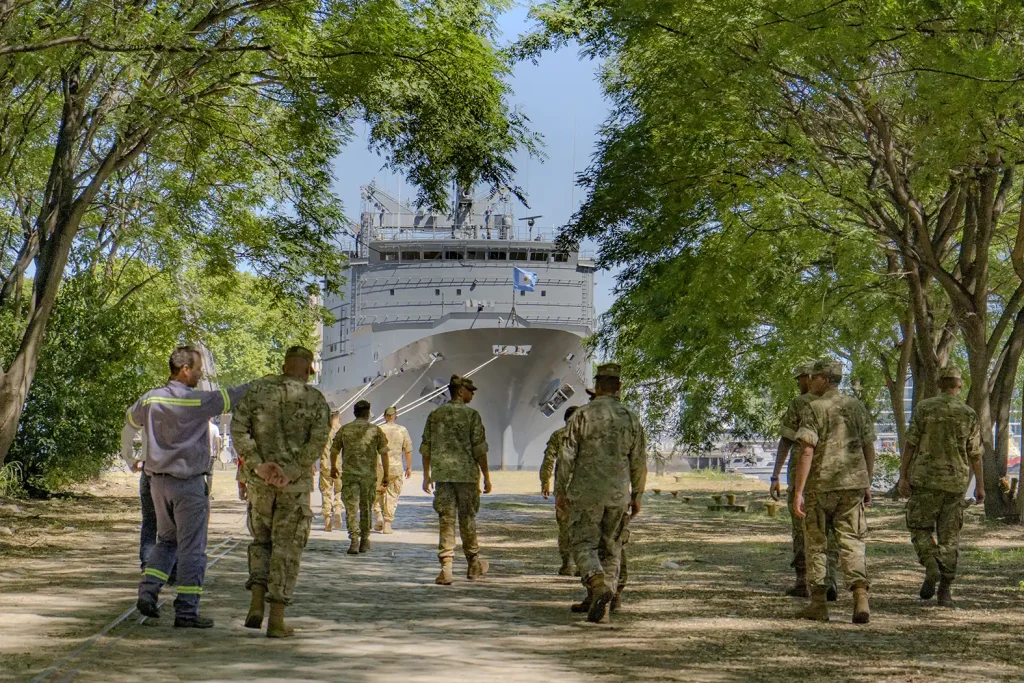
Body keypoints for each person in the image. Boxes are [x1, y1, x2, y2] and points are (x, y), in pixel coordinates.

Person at [129, 346, 248, 628]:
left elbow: (131, 420)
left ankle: (148, 592)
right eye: (198, 369)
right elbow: (232, 396)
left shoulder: (150, 399)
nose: (200, 373)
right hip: (189, 485)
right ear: (185, 369)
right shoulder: (199, 402)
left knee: (166, 542)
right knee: (192, 549)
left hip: (157, 483)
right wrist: (263, 383)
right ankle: (186, 612)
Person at [231, 346, 330, 638]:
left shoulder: (258, 390)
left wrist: (259, 466)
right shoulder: (315, 400)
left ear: (284, 365)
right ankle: (276, 619)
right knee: (287, 549)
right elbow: (318, 442)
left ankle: (256, 602)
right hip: (293, 487)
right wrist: (293, 471)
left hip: (260, 483)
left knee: (261, 541)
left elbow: (239, 429)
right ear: (309, 370)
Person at [558, 363, 647, 624]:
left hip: (585, 493)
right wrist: (637, 494)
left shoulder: (581, 416)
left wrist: (560, 490)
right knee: (612, 549)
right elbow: (639, 460)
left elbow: (566, 456)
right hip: (618, 494)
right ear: (619, 386)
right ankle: (603, 610)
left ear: (597, 386)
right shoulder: (631, 418)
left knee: (583, 544)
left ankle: (597, 586)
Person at [792, 358, 876, 624]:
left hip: (821, 486)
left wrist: (798, 490)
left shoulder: (814, 408)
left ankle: (818, 604)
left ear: (825, 379)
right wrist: (866, 482)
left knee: (817, 543)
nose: (810, 380)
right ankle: (860, 597)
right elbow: (869, 447)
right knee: (852, 541)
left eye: (814, 376)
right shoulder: (857, 407)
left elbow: (807, 449)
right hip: (852, 486)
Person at [897, 366, 984, 607]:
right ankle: (945, 591)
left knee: (919, 527)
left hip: (925, 481)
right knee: (950, 537)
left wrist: (903, 476)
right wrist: (979, 486)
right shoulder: (968, 414)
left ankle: (931, 565)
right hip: (955, 483)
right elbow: (975, 454)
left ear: (939, 384)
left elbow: (911, 445)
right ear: (959, 385)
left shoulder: (924, 408)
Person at [770, 362, 840, 599]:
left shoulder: (800, 404)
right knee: (831, 529)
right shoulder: (843, 404)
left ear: (811, 378)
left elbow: (786, 441)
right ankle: (828, 579)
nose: (799, 382)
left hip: (803, 474)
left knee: (802, 528)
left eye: (800, 378)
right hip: (836, 476)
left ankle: (804, 580)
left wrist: (776, 475)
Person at [421, 375, 492, 585]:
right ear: (460, 391)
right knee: (467, 519)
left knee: (446, 520)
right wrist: (487, 476)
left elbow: (426, 448)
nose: (472, 394)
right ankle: (473, 563)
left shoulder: (435, 415)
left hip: (443, 477)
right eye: (470, 390)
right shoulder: (472, 416)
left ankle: (446, 568)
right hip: (467, 477)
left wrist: (426, 476)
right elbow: (479, 449)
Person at [330, 400, 389, 555]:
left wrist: (334, 467)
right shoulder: (376, 430)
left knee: (351, 508)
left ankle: (354, 540)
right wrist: (386, 475)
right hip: (368, 477)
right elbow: (384, 453)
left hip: (350, 476)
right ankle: (365, 539)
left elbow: (334, 450)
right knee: (366, 508)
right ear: (367, 413)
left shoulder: (345, 429)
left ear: (355, 413)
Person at [541, 405, 579, 576]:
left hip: (563, 488)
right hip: (585, 488)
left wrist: (545, 482)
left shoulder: (558, 435)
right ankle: (583, 565)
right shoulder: (589, 436)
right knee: (585, 526)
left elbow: (549, 459)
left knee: (564, 527)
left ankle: (567, 564)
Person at [374, 406, 413, 534]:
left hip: (379, 466)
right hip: (395, 467)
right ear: (395, 416)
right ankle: (387, 523)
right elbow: (408, 450)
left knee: (377, 492)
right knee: (392, 494)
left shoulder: (378, 429)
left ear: (385, 416)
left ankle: (378, 515)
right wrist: (409, 467)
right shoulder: (402, 430)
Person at [319, 411, 343, 531]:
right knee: (339, 490)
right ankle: (338, 509)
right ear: (339, 416)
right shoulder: (343, 430)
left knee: (326, 492)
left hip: (325, 465)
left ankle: (327, 521)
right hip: (340, 466)